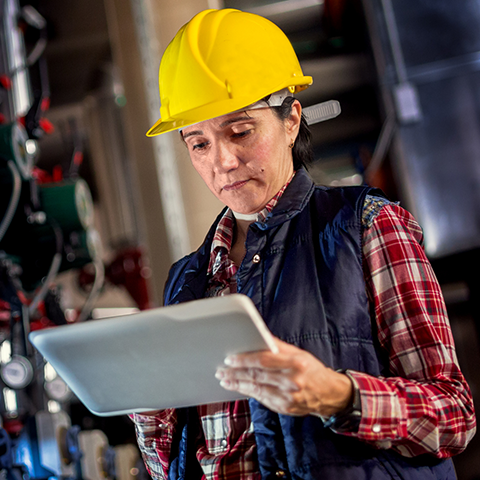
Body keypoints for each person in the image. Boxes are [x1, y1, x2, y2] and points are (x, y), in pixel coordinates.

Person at [131, 8, 476, 480]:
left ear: (291, 119)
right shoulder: (185, 281)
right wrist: (146, 411)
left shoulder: (367, 227)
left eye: (241, 131)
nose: (224, 161)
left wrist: (339, 396)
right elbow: (173, 463)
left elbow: (453, 415)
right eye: (199, 144)